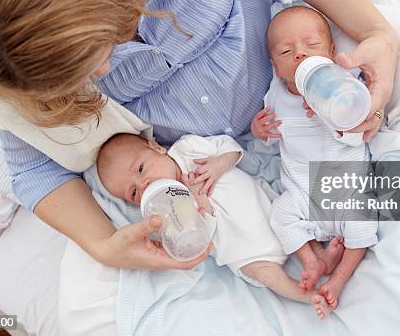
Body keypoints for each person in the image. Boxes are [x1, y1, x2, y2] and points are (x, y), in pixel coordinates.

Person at [0, 0, 398, 331]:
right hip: (213, 164)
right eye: (83, 73)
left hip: (297, 78)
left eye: (95, 54)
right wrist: (103, 245)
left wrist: (376, 33)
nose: (103, 72)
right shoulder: (10, 68)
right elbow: (33, 166)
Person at [96, 132, 345, 319]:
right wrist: (198, 202)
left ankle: (320, 256)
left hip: (263, 206)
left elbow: (230, 148)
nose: (145, 184)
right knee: (267, 274)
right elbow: (200, 237)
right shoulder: (166, 210)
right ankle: (306, 295)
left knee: (291, 217)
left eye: (141, 168)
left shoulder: (187, 149)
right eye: (133, 193)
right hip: (245, 250)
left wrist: (218, 165)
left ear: (155, 147)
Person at [251, 6, 377, 312]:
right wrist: (259, 130)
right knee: (280, 213)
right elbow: (268, 135)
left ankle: (339, 279)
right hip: (303, 193)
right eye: (286, 51)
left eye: (312, 45)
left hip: (345, 186)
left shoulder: (345, 84)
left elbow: (361, 129)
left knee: (363, 219)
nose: (300, 54)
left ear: (332, 53)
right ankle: (314, 260)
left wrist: (339, 115)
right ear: (275, 66)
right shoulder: (275, 95)